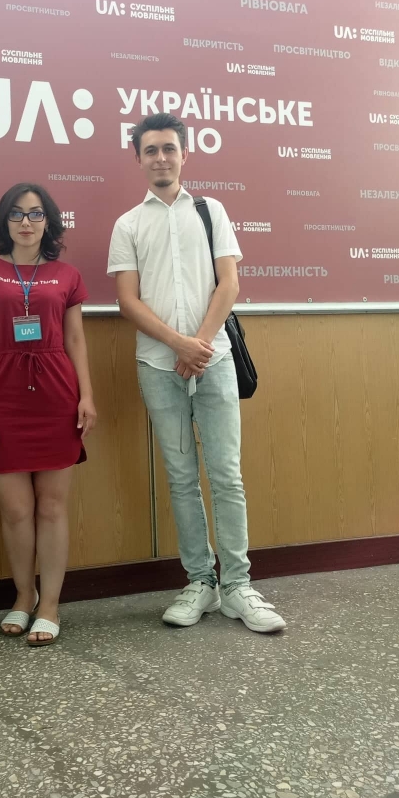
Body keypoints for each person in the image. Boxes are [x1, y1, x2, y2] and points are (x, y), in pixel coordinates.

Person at [107, 112, 285, 634]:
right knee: (182, 479)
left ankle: (238, 587)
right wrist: (178, 345)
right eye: (151, 150)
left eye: (169, 148)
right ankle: (200, 582)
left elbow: (229, 284)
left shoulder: (212, 211)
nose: (161, 157)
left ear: (184, 154)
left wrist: (198, 347)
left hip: (216, 363)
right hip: (157, 366)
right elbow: (127, 300)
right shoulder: (128, 224)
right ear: (138, 159)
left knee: (226, 475)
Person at [0, 183, 96, 646]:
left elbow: (75, 339)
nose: (26, 222)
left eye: (36, 214)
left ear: (48, 222)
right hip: (2, 395)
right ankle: (24, 596)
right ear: (3, 221)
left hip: (57, 394)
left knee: (53, 507)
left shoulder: (67, 275)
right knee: (16, 510)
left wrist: (86, 395)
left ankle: (50, 605)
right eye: (16, 214)